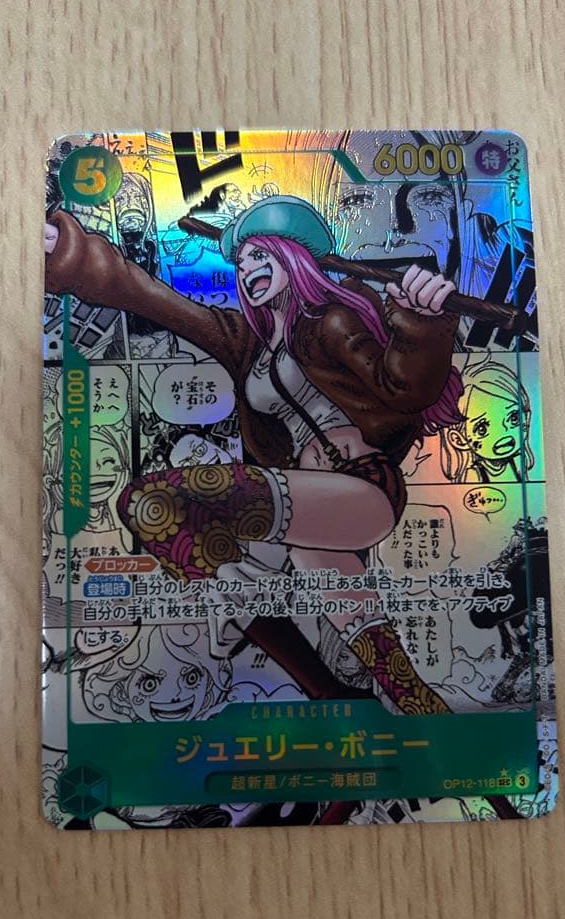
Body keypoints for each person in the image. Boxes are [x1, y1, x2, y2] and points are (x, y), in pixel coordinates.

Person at [44, 195, 465, 714]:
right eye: (241, 263)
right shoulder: (250, 343)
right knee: (361, 628)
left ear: (294, 257)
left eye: (260, 256)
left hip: (361, 485)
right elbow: (151, 298)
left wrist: (420, 323)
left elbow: (403, 388)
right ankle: (371, 700)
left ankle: (241, 591)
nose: (247, 271)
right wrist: (72, 254)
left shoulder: (332, 320)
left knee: (152, 503)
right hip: (309, 505)